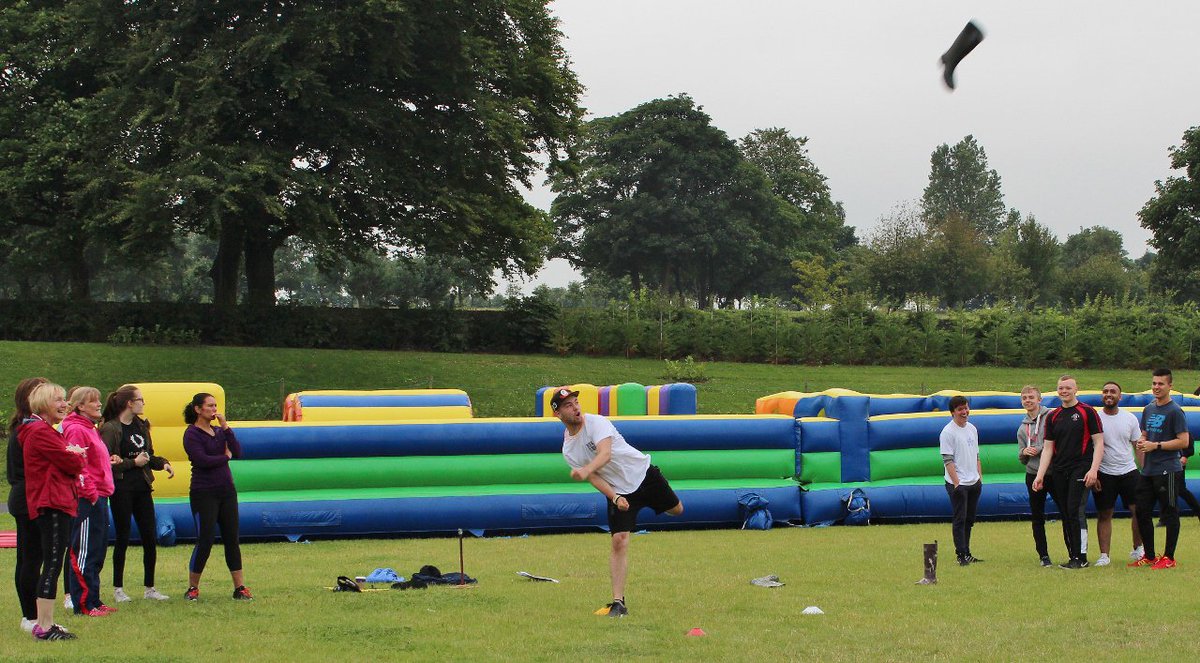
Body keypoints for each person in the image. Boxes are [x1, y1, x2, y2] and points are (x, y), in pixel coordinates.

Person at [552, 387, 682, 618]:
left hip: (644, 475)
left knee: (677, 510)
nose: (575, 408)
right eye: (568, 405)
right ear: (558, 414)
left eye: (576, 402)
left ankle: (650, 505)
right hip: (619, 491)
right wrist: (615, 497)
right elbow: (595, 478)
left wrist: (585, 470)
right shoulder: (569, 449)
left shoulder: (596, 422)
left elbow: (605, 454)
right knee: (619, 541)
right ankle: (618, 603)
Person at [20, 382, 87, 640]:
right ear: (43, 404)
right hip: (53, 502)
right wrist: (76, 455)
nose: (64, 404)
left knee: (53, 562)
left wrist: (73, 454)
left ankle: (45, 622)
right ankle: (44, 625)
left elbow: (68, 458)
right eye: (58, 400)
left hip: (55, 500)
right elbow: (72, 462)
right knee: (53, 563)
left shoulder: (44, 430)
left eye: (64, 399)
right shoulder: (40, 431)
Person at [100, 385, 173, 602]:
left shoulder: (141, 426)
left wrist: (163, 463)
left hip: (142, 488)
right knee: (122, 536)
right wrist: (133, 463)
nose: (143, 403)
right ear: (129, 403)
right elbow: (106, 462)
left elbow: (147, 456)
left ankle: (150, 588)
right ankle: (118, 589)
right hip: (122, 489)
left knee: (149, 537)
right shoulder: (111, 428)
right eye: (140, 400)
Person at [182, 392, 251, 601]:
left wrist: (226, 427)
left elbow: (237, 452)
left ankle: (240, 587)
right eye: (210, 406)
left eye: (215, 406)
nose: (214, 409)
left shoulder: (219, 431)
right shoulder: (191, 434)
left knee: (232, 539)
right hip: (204, 492)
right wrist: (224, 457)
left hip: (226, 491)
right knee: (205, 539)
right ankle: (193, 588)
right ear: (198, 409)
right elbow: (202, 460)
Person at [1032, 375, 1105, 569]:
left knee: (1074, 510)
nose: (1064, 391)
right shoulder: (1053, 416)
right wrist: (1040, 476)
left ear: (1076, 389)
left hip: (1081, 467)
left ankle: (1081, 557)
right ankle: (1073, 556)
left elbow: (1099, 443)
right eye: (1061, 388)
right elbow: (1048, 448)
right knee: (1066, 512)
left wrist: (1094, 470)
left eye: (1068, 388)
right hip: (1059, 470)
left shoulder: (1087, 412)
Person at [62, 386, 117, 616]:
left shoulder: (90, 428)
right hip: (87, 499)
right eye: (93, 401)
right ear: (80, 406)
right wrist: (91, 493)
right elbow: (78, 465)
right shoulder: (76, 429)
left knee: (96, 550)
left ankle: (93, 598)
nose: (99, 404)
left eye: (98, 400)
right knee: (84, 551)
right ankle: (84, 604)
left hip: (100, 496)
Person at [1129, 368, 1189, 569]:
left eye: (1161, 384)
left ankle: (1169, 557)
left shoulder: (1175, 411)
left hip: (1168, 469)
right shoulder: (1148, 409)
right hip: (1148, 470)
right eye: (1154, 383)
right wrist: (1142, 441)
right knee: (1141, 511)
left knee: (1170, 512)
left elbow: (1183, 441)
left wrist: (1156, 446)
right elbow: (1145, 434)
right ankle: (1150, 556)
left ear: (1170, 386)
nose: (1156, 387)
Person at [7, 377, 48, 634]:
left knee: (27, 557)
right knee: (31, 558)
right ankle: (30, 615)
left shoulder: (23, 428)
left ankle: (29, 614)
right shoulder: (29, 430)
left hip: (24, 496)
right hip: (29, 498)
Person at [1092, 381, 1143, 567]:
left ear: (1119, 397)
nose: (1109, 394)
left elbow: (1137, 445)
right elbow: (1089, 447)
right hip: (1104, 473)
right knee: (1105, 514)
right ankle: (1104, 555)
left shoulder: (1130, 418)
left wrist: (1144, 471)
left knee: (1138, 511)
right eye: (1105, 391)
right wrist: (1094, 473)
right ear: (1102, 395)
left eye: (1113, 391)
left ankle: (1138, 549)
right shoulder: (1095, 417)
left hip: (1129, 471)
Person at [1016, 385, 1059, 567]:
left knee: (1067, 512)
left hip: (1053, 473)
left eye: (1031, 397)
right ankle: (1043, 556)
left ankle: (1074, 553)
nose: (1028, 400)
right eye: (1024, 398)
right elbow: (1022, 459)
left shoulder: (1051, 417)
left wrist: (1040, 448)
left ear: (1039, 399)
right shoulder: (1022, 428)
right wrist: (1024, 452)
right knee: (1037, 516)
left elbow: (1058, 443)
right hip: (1033, 474)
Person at [941, 395, 983, 566]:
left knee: (969, 519)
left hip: (973, 481)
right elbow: (948, 460)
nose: (964, 412)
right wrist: (957, 482)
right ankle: (960, 554)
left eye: (966, 408)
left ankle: (967, 551)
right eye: (960, 409)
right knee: (960, 518)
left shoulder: (972, 428)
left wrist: (979, 477)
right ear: (953, 412)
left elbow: (977, 454)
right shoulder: (948, 432)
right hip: (958, 483)